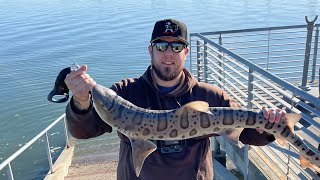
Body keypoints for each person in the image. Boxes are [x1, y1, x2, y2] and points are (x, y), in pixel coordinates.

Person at [65, 19, 286, 180]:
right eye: (161, 46)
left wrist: (269, 127)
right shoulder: (125, 92)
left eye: (176, 46)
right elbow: (84, 131)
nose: (168, 53)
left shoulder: (209, 96)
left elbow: (248, 134)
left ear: (186, 51)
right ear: (150, 50)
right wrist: (82, 101)